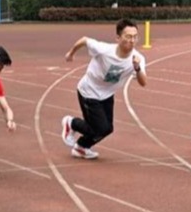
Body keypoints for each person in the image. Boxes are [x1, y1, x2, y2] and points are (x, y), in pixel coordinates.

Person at [60, 19, 147, 159]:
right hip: (89, 92)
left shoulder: (137, 59)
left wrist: (137, 68)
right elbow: (84, 40)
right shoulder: (104, 50)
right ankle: (71, 123)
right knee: (99, 128)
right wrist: (71, 53)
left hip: (107, 94)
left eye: (135, 37)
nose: (132, 40)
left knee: (108, 129)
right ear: (118, 38)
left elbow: (143, 82)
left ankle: (81, 147)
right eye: (128, 36)